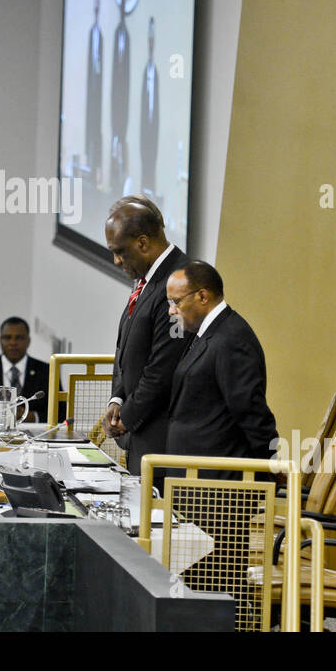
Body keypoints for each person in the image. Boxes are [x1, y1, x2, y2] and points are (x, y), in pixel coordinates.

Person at [102, 195, 188, 477]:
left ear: (142, 242)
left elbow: (163, 369)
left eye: (120, 251)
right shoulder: (146, 278)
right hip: (141, 434)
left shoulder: (178, 281)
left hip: (161, 441)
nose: (116, 260)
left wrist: (127, 417)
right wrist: (117, 399)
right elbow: (125, 347)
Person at [164, 262, 277, 467]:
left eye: (176, 302)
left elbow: (252, 413)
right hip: (194, 474)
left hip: (216, 482)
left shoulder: (231, 339)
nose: (171, 311)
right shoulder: (208, 333)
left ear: (203, 296)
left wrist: (270, 464)